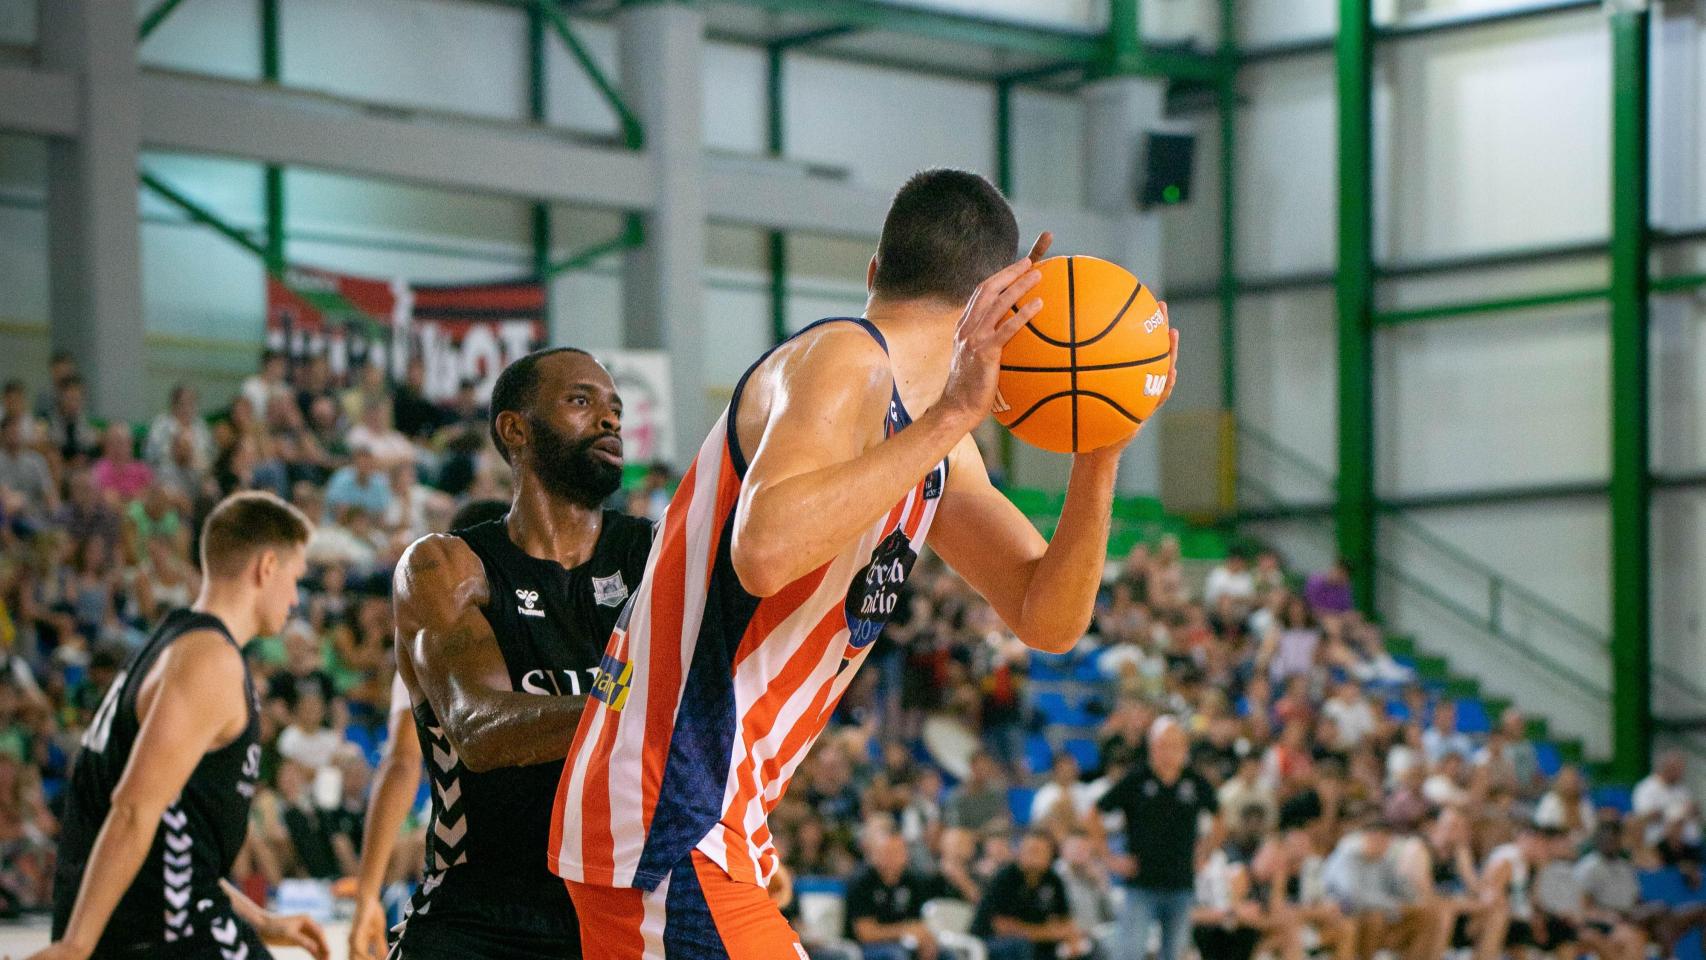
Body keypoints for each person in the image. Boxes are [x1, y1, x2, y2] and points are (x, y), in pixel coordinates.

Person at [552, 168, 1177, 958]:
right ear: (1003, 301)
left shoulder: (939, 441)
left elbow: (1047, 617)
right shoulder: (842, 357)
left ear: (876, 270)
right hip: (669, 801)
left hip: (697, 814)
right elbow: (765, 550)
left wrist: (1101, 446)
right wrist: (956, 411)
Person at [358, 349, 655, 960]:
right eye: (581, 401)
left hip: (623, 902)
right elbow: (480, 730)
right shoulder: (446, 567)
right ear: (514, 430)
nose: (608, 420)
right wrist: (646, 703)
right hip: (480, 911)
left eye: (615, 409)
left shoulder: (655, 556)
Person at [37, 491, 328, 960]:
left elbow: (177, 841)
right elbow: (132, 809)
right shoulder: (209, 661)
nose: (295, 597)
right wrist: (77, 944)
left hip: (153, 921)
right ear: (267, 567)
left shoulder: (171, 643)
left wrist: (262, 920)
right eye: (295, 578)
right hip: (167, 934)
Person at [1089, 716, 1223, 960]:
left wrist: (1205, 851)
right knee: (1131, 952)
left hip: (1181, 883)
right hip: (1142, 883)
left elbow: (1220, 815)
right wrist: (1109, 857)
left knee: (1174, 953)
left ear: (1184, 749)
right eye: (1162, 745)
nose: (1168, 752)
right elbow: (1094, 812)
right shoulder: (1137, 779)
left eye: (1175, 745)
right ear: (1152, 747)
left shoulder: (1193, 782)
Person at [1321, 817, 1448, 960]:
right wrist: (1392, 905)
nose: (1384, 845)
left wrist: (1415, 892)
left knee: (1428, 916)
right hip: (1342, 915)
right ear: (1369, 837)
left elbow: (1400, 889)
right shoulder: (1349, 855)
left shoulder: (1384, 859)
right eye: (1380, 839)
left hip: (1379, 914)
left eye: (1387, 841)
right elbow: (1354, 897)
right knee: (1375, 919)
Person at [973, 831, 1094, 960]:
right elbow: (1001, 926)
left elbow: (1065, 919)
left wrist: (1072, 938)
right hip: (991, 941)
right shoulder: (1005, 878)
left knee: (1085, 945)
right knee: (1021, 945)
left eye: (1039, 851)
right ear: (1019, 852)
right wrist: (1048, 933)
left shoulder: (1053, 880)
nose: (1033, 856)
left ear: (1050, 855)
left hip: (1034, 941)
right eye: (1030, 850)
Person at [844, 832, 946, 960]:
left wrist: (926, 941)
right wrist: (903, 930)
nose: (894, 858)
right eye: (888, 852)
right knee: (897, 955)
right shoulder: (862, 882)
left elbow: (917, 923)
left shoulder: (911, 881)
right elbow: (865, 933)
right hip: (865, 947)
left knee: (944, 953)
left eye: (899, 852)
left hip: (904, 942)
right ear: (875, 854)